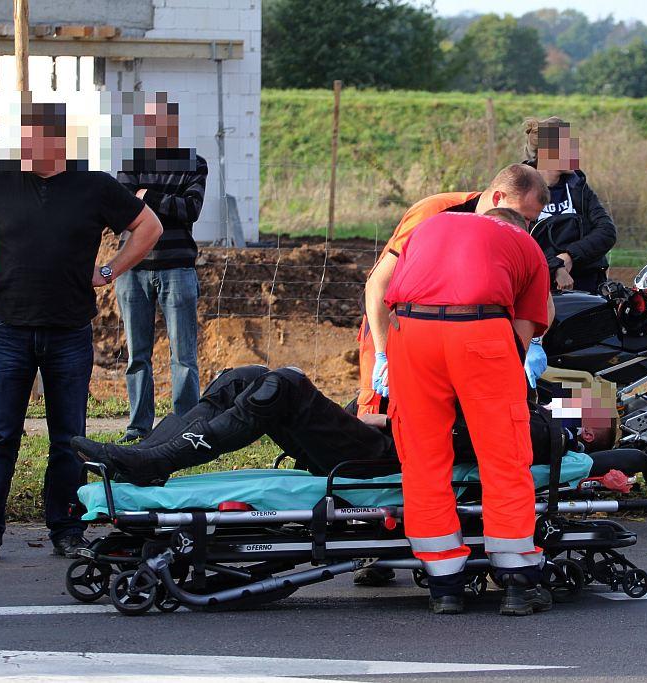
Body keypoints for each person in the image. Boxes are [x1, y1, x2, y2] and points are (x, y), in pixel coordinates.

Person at [0, 100, 164, 563]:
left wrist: (111, 269)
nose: (24, 147)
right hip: (10, 329)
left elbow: (147, 226)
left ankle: (67, 529)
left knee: (68, 438)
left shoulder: (94, 187)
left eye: (33, 138)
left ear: (58, 141)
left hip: (69, 332)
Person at [382, 207, 553, 616]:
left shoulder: (432, 224)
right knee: (504, 455)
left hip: (410, 331)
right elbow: (524, 335)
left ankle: (444, 585)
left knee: (422, 457)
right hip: (480, 331)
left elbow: (391, 301)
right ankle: (516, 580)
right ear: (519, 224)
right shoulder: (526, 244)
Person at [69, 363, 565, 486]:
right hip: (378, 438)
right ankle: (152, 459)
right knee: (244, 377)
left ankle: (154, 460)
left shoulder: (532, 427)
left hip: (380, 458)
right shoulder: (506, 393)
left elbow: (452, 440)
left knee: (284, 383)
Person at [358, 164, 550, 418]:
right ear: (497, 198)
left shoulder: (509, 233)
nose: (523, 228)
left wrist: (532, 345)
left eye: (530, 221)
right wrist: (384, 355)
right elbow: (378, 286)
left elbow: (541, 300)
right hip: (394, 324)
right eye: (524, 217)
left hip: (447, 336)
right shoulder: (435, 212)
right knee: (380, 411)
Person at [115, 95, 208, 443]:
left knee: (183, 355)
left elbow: (191, 209)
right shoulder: (132, 163)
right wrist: (161, 202)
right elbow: (122, 209)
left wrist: (147, 197)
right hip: (133, 270)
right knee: (137, 354)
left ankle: (185, 427)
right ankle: (138, 426)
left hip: (178, 269)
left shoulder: (194, 163)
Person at [522, 117, 617, 293]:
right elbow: (516, 242)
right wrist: (555, 267)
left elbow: (607, 232)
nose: (575, 153)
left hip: (587, 287)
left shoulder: (578, 186)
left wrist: (570, 256)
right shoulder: (520, 188)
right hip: (539, 290)